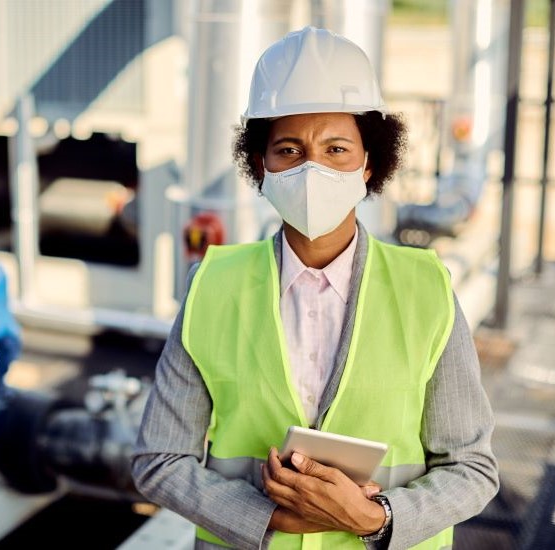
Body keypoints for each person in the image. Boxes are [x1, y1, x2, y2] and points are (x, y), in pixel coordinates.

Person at [131, 26, 499, 549]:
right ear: (261, 164)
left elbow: (472, 468)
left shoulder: (427, 289)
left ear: (369, 163)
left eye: (336, 149)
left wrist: (377, 518)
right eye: (289, 149)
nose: (312, 169)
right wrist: (262, 516)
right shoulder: (212, 285)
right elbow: (159, 461)